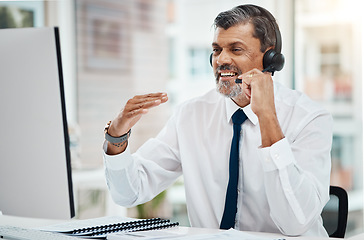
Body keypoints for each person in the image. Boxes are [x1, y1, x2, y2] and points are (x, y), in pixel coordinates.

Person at [103, 4, 332, 237]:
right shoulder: (191, 116)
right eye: (216, 49)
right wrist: (116, 135)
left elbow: (296, 223)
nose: (221, 59)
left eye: (236, 49)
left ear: (270, 57)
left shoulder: (309, 118)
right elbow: (129, 193)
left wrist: (267, 117)